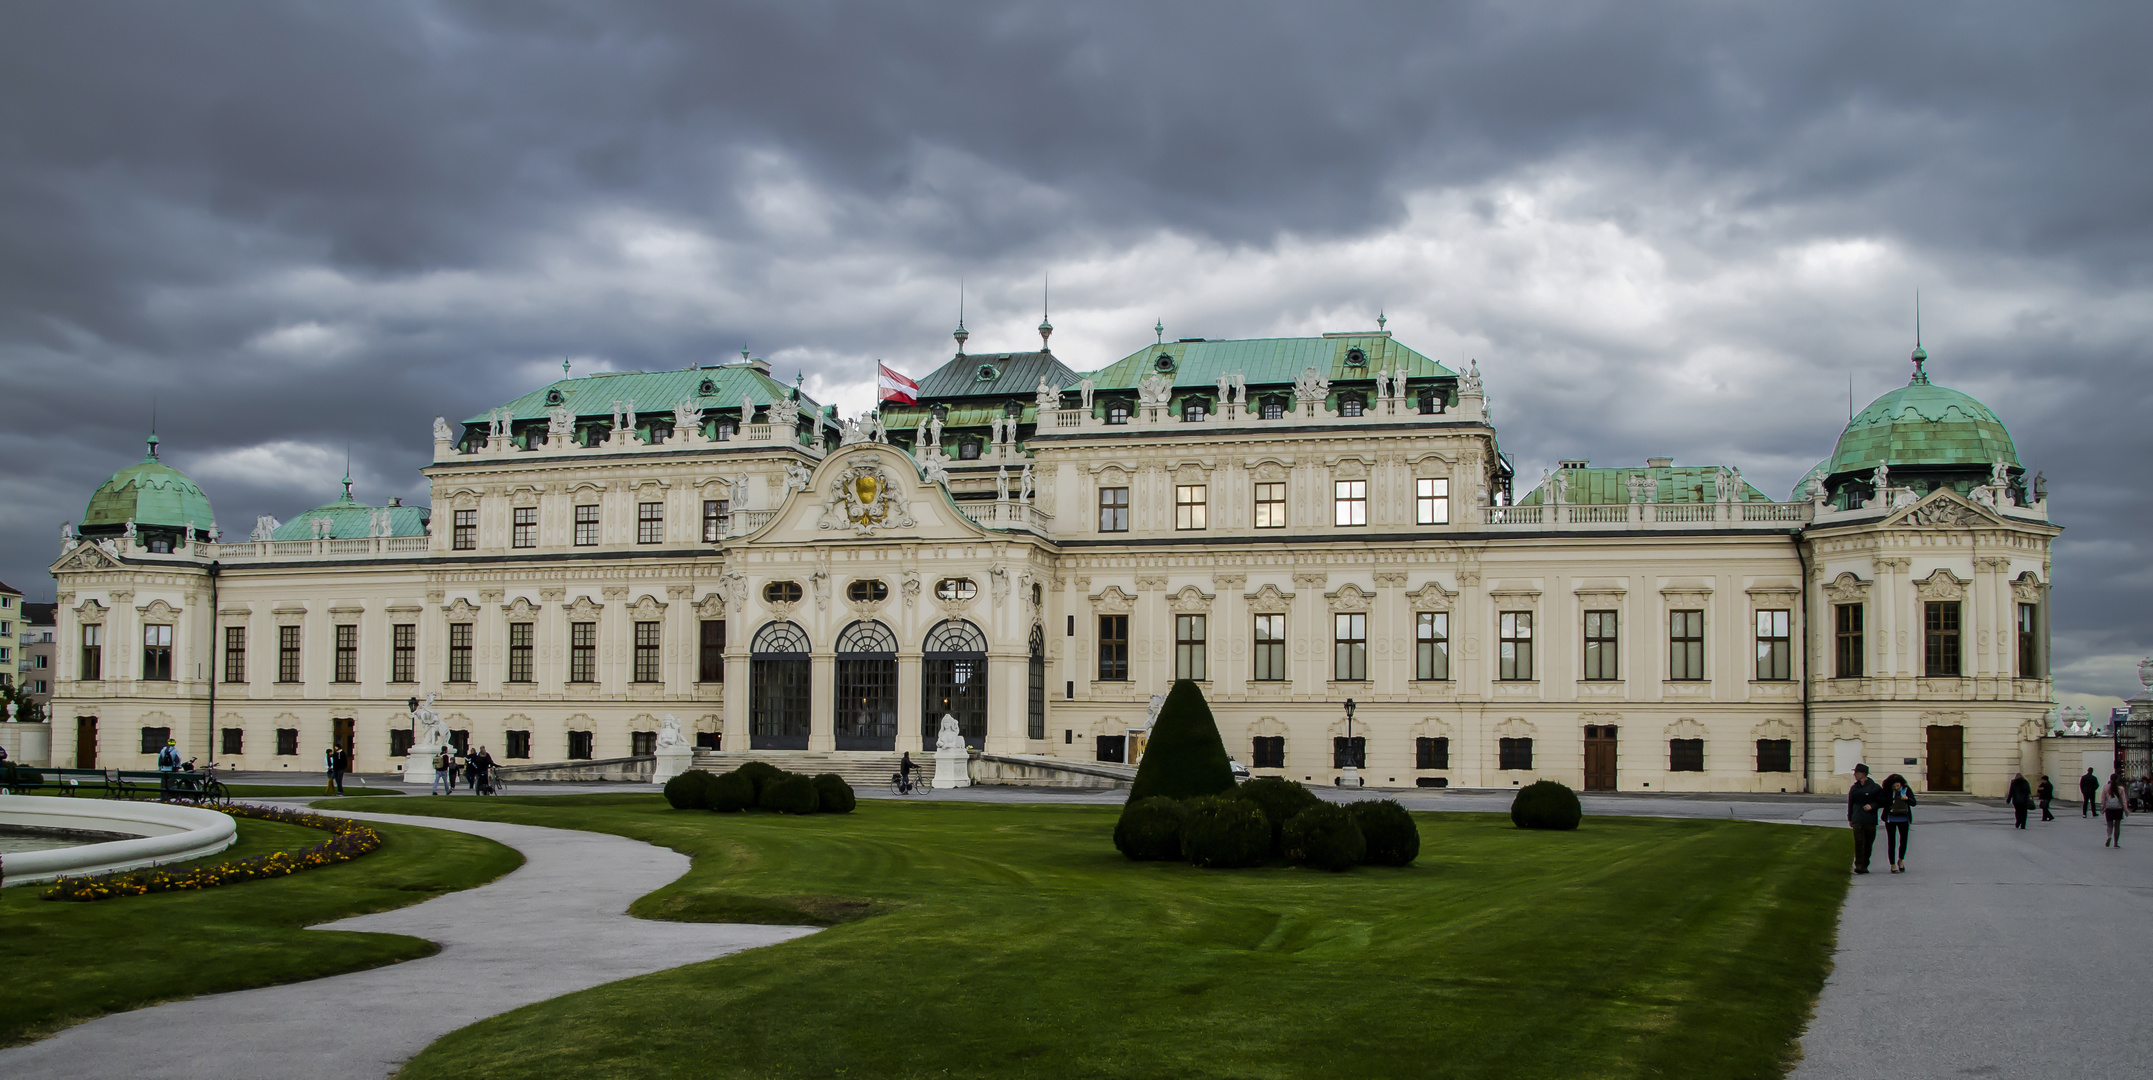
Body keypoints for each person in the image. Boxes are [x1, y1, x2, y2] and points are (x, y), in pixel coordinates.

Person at [1847, 763, 1883, 874]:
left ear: (1862, 774)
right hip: (1857, 817)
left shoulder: (1875, 787)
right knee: (1858, 841)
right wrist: (1850, 817)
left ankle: (1865, 863)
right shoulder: (1854, 788)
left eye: (1856, 773)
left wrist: (1872, 806)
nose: (1854, 775)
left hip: (1870, 818)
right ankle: (1858, 864)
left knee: (1868, 843)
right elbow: (1850, 803)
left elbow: (1881, 801)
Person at [1880, 773, 1918, 873]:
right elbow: (1881, 801)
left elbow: (1914, 803)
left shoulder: (1906, 790)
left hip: (1904, 818)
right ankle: (1892, 864)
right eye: (1894, 786)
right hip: (1891, 818)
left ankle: (1901, 859)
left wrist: (1907, 799)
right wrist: (1891, 800)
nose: (1897, 788)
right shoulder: (1887, 791)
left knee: (1904, 840)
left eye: (1898, 785)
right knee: (1891, 841)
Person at [2103, 773, 2128, 848]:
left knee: (2109, 824)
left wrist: (2103, 808)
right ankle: (2116, 843)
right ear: (2117, 779)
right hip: (2118, 808)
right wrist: (2125, 809)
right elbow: (2123, 800)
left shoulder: (2106, 788)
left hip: (2109, 808)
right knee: (2117, 826)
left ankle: (2109, 836)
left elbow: (2103, 799)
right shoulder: (2121, 788)